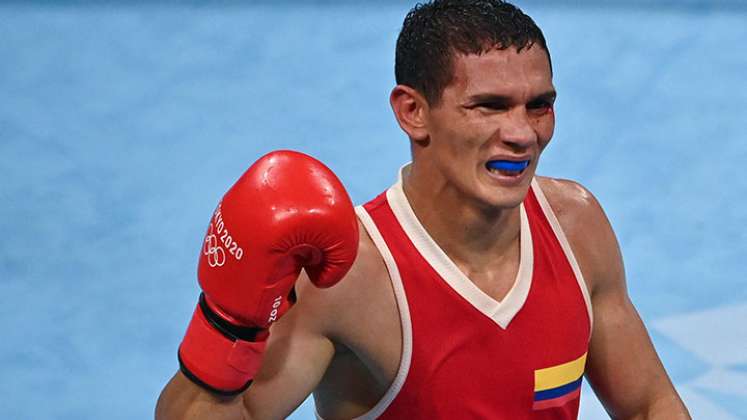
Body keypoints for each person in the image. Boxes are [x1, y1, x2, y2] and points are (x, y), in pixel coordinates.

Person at [156, 1, 691, 418]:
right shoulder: (349, 279)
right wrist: (226, 326)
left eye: (539, 105)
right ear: (413, 112)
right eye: (489, 106)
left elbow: (650, 405)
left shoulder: (576, 226)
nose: (522, 134)